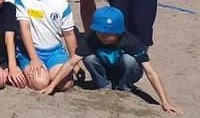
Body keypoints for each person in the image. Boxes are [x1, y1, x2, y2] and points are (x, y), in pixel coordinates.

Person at [46, 6, 179, 112]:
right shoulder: (92, 38)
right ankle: (103, 85)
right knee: (89, 58)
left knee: (130, 60)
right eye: (100, 32)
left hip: (126, 71)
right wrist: (51, 87)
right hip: (105, 69)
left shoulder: (131, 42)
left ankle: (124, 88)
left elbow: (150, 72)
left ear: (119, 32)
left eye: (108, 34)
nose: (103, 36)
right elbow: (71, 63)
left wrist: (165, 102)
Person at [13, 0, 79, 93]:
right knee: (40, 83)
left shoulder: (61, 3)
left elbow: (69, 34)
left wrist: (75, 60)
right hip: (30, 50)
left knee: (65, 84)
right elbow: (24, 29)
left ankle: (48, 70)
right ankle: (24, 65)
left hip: (54, 51)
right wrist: (34, 58)